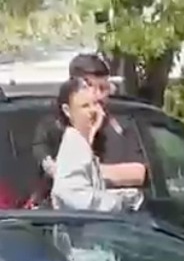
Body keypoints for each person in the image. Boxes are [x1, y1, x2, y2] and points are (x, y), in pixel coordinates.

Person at [33, 53, 148, 204]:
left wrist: (90, 171)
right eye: (91, 88)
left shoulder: (122, 126)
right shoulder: (53, 128)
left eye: (103, 88)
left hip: (116, 212)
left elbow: (138, 173)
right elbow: (57, 173)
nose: (98, 96)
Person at [50, 77, 144, 213]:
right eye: (85, 106)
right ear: (67, 110)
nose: (93, 111)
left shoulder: (83, 143)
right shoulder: (73, 145)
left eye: (94, 104)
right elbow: (73, 195)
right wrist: (120, 202)